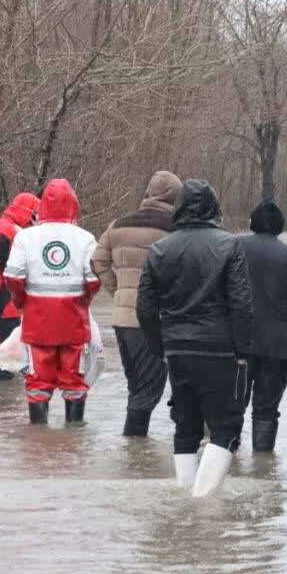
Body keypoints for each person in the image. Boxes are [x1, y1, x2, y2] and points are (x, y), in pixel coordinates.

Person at [137, 180, 253, 496]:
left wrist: (160, 347)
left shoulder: (159, 249)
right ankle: (201, 503)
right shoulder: (230, 245)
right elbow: (241, 303)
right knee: (226, 426)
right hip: (219, 350)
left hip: (176, 350)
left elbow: (145, 307)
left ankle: (185, 494)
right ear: (214, 209)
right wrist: (243, 350)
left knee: (185, 425)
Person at [92, 171, 183, 438]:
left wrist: (119, 291)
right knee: (148, 390)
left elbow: (97, 262)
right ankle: (134, 455)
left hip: (122, 321)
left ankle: (132, 454)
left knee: (136, 386)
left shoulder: (117, 225)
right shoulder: (175, 228)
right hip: (156, 320)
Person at [3, 179, 101, 424]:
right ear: (73, 205)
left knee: (38, 383)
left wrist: (22, 303)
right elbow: (94, 280)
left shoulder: (25, 237)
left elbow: (12, 277)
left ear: (43, 204)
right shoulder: (86, 238)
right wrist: (83, 302)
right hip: (74, 324)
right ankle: (73, 444)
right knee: (75, 382)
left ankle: (39, 446)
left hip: (38, 324)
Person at [239, 200, 287, 452]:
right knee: (267, 409)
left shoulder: (234, 247)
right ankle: (263, 468)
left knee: (233, 406)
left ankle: (227, 464)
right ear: (280, 225)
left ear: (252, 223)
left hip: (239, 343)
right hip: (278, 345)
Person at [0, 192, 40, 379]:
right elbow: (27, 268)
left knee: (3, 352)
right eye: (35, 214)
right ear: (28, 212)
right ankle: (5, 404)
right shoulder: (15, 232)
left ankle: (0, 400)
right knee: (9, 361)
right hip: (7, 302)